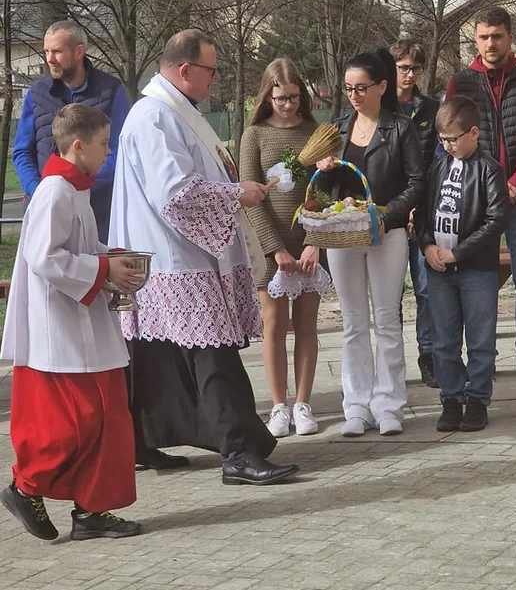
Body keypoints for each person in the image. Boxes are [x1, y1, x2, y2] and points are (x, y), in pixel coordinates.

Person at [108, 29, 299, 485]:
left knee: (158, 354)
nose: (216, 79)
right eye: (211, 70)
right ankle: (238, 453)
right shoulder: (155, 116)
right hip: (174, 257)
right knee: (212, 354)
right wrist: (239, 193)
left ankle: (143, 439)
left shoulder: (179, 111)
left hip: (176, 254)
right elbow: (175, 194)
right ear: (184, 70)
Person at [0, 104, 143, 541]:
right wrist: (103, 271)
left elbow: (77, 244)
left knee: (109, 418)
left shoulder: (74, 189)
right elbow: (44, 257)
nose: (108, 151)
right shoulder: (54, 192)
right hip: (58, 330)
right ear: (78, 146)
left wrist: (110, 256)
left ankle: (91, 510)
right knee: (71, 425)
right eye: (104, 143)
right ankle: (26, 488)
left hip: (85, 325)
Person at [316, 49, 424, 436]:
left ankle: (389, 403)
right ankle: (357, 405)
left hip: (386, 233)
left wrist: (387, 213)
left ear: (382, 86)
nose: (354, 95)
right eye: (348, 88)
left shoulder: (400, 127)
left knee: (387, 319)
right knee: (353, 322)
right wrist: (324, 171)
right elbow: (326, 189)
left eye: (361, 88)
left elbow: (416, 182)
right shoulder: (339, 127)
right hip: (343, 233)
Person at [446, 7, 516, 376]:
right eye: (484, 36)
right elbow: (451, 138)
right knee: (474, 278)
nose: (490, 43)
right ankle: (479, 354)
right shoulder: (461, 83)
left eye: (497, 36)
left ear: (509, 37)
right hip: (476, 199)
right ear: (475, 39)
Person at [415, 96, 510, 431]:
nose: (447, 145)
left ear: (474, 133)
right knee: (444, 339)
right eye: (442, 139)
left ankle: (478, 399)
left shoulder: (489, 169)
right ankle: (451, 398)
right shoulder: (438, 167)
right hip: (438, 268)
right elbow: (424, 212)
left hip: (476, 269)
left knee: (481, 339)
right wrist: (427, 245)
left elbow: (495, 219)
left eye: (453, 139)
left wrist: (459, 253)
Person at [239, 58, 322, 438]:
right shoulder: (253, 135)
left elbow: (323, 194)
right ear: (267, 96)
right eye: (280, 98)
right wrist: (275, 249)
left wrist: (312, 242)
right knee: (273, 326)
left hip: (306, 244)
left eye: (293, 97)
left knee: (306, 326)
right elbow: (249, 198)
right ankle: (278, 406)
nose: (287, 105)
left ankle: (303, 403)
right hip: (269, 245)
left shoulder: (315, 131)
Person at [12, 20, 130, 242]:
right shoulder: (37, 93)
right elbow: (22, 152)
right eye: (46, 51)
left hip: (96, 213)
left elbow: (119, 152)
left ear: (79, 51)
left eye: (57, 51)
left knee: (92, 273)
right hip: (43, 212)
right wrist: (42, 192)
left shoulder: (111, 90)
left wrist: (79, 190)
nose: (49, 59)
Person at [390, 39, 440, 388]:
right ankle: (391, 360)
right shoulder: (381, 108)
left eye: (416, 69)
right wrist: (399, 208)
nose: (410, 74)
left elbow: (435, 163)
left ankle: (430, 355)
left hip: (424, 212)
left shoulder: (431, 109)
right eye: (404, 67)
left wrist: (417, 209)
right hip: (391, 211)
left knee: (426, 289)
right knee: (391, 292)